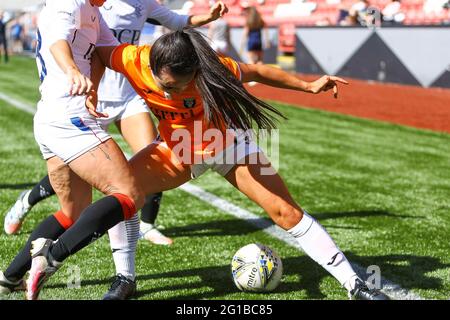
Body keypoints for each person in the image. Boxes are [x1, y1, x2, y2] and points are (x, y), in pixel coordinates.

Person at [22, 28, 389, 300]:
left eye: (178, 86)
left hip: (227, 145)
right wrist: (92, 88)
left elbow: (259, 70)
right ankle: (125, 280)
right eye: (164, 85)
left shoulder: (216, 69)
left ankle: (354, 285)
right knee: (125, 193)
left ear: (196, 72)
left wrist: (309, 86)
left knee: (285, 213)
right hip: (178, 151)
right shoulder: (136, 59)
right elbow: (102, 54)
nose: (169, 92)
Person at [1, 0, 228, 300]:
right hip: (71, 117)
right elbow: (58, 38)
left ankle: (10, 276)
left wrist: (99, 82)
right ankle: (52, 256)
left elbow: (109, 53)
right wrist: (72, 70)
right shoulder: (69, 3)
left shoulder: (94, 12)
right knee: (130, 193)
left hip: (54, 117)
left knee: (73, 211)